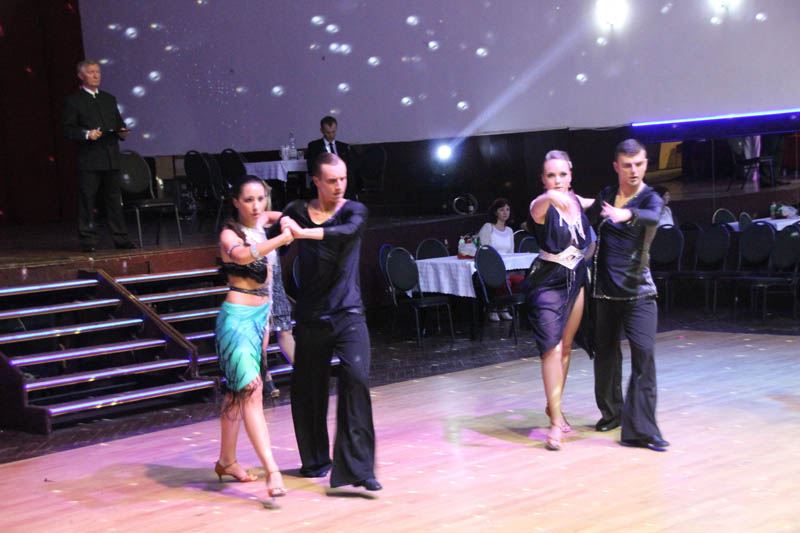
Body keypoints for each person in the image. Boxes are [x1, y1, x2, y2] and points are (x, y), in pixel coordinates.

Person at [273, 152, 381, 492]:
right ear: (316, 181)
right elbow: (277, 233)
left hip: (348, 313)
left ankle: (359, 469)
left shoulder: (354, 211)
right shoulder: (297, 211)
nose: (339, 186)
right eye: (332, 180)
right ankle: (315, 460)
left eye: (343, 179)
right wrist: (281, 224)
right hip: (311, 315)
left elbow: (344, 233)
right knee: (307, 389)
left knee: (356, 379)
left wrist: (302, 233)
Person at [587, 139, 669, 452]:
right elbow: (591, 212)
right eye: (627, 165)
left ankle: (642, 430)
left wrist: (628, 214)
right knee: (605, 355)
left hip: (638, 292)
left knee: (644, 355)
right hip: (605, 292)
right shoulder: (607, 195)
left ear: (645, 164)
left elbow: (653, 217)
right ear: (616, 167)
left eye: (639, 164)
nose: (634, 170)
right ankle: (612, 413)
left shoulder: (651, 198)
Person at [214, 176, 294, 498]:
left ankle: (226, 461)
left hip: (261, 319)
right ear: (236, 202)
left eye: (261, 199)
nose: (257, 206)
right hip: (237, 321)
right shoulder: (228, 234)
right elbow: (243, 256)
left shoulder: (262, 220)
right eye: (249, 200)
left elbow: (283, 215)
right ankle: (272, 470)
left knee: (237, 393)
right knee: (251, 390)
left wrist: (285, 220)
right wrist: (281, 239)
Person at [525, 150, 595, 451]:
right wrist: (550, 197)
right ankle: (555, 422)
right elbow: (536, 207)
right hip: (548, 282)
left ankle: (553, 406)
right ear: (543, 179)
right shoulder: (542, 205)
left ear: (571, 175)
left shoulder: (577, 201)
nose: (557, 180)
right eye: (551, 175)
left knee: (566, 347)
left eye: (562, 174)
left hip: (575, 279)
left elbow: (594, 206)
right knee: (551, 348)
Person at [62, 59, 136, 253]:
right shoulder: (74, 100)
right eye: (91, 72)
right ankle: (88, 240)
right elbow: (68, 130)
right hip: (89, 159)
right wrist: (87, 134)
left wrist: (122, 132)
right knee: (87, 201)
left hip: (111, 157)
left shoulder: (108, 99)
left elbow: (118, 123)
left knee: (114, 201)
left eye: (98, 72)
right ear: (81, 76)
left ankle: (121, 238)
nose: (96, 76)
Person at [478, 198, 516, 321]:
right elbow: (484, 250)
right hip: (492, 267)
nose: (505, 212)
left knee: (520, 280)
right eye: (501, 210)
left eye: (507, 209)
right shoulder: (488, 227)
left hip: (507, 267)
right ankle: (493, 308)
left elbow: (511, 252)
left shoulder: (509, 231)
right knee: (503, 281)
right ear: (495, 212)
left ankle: (503, 307)